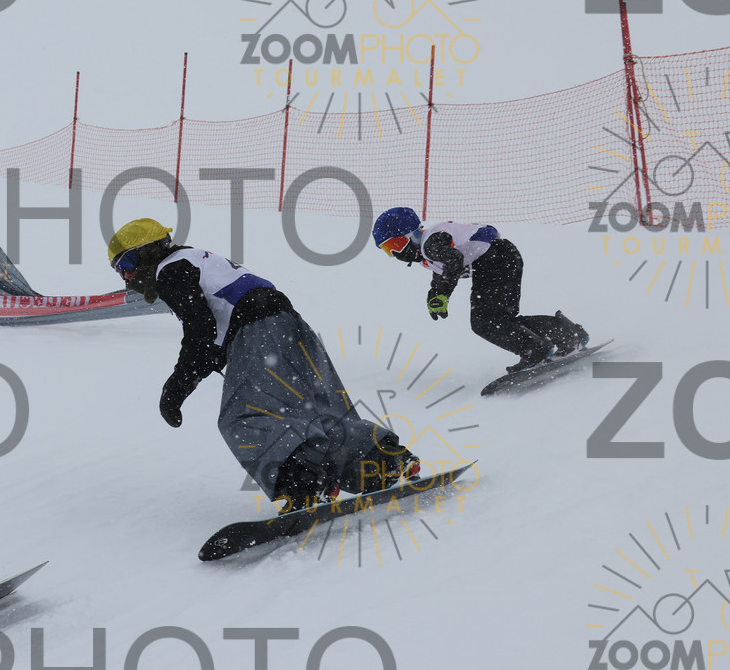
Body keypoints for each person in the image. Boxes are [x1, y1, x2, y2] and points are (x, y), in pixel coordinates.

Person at [109, 218, 420, 510]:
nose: (127, 277)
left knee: (245, 419)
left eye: (128, 264)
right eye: (119, 270)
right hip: (289, 325)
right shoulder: (196, 259)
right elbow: (213, 332)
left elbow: (199, 330)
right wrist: (206, 362)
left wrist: (176, 387)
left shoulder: (170, 269)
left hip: (258, 331)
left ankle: (305, 484)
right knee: (316, 409)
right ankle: (381, 462)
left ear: (150, 251)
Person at [370, 207, 588, 372]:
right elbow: (442, 272)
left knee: (485, 322)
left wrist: (443, 292)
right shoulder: (430, 250)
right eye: (388, 250)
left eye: (396, 245)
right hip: (502, 257)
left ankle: (537, 349)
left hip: (495, 261)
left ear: (412, 235)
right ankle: (565, 335)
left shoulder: (430, 244)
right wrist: (436, 295)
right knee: (500, 320)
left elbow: (454, 260)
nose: (395, 254)